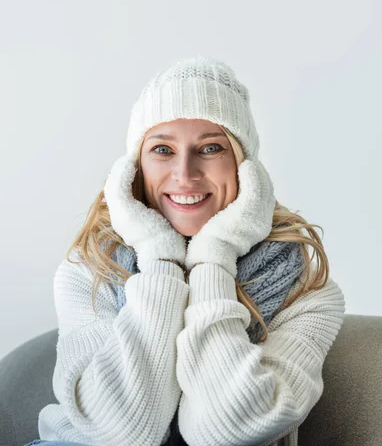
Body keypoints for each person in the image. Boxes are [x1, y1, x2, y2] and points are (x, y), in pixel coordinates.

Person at [24, 55, 345, 446]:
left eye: (210, 148)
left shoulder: (307, 292)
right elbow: (118, 432)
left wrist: (215, 257)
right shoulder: (89, 270)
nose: (185, 173)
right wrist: (160, 259)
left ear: (247, 169)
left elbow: (226, 431)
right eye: (162, 149)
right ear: (134, 169)